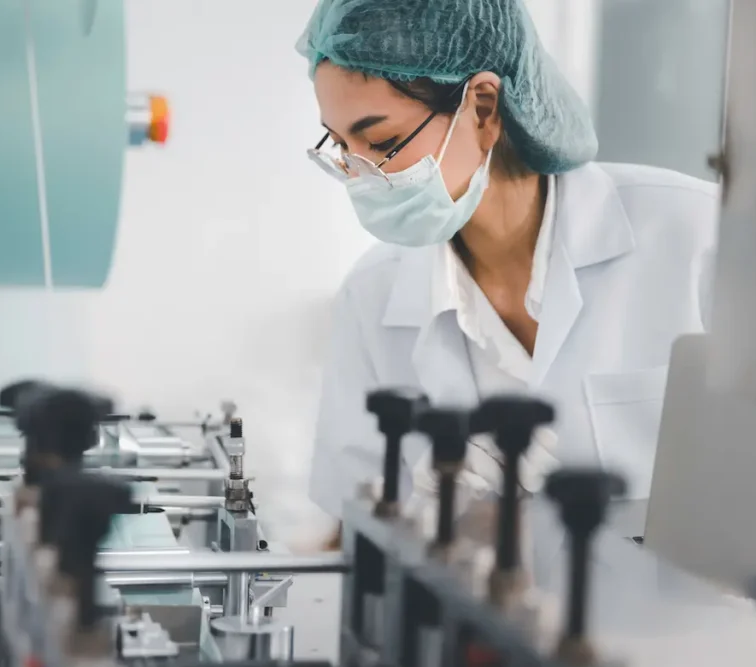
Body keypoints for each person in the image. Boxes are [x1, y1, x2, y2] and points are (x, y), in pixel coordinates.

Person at [298, 0, 719, 542]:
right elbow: (353, 524)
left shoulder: (698, 235)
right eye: (342, 148)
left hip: (709, 620)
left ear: (484, 108)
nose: (361, 177)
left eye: (380, 143)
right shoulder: (371, 294)